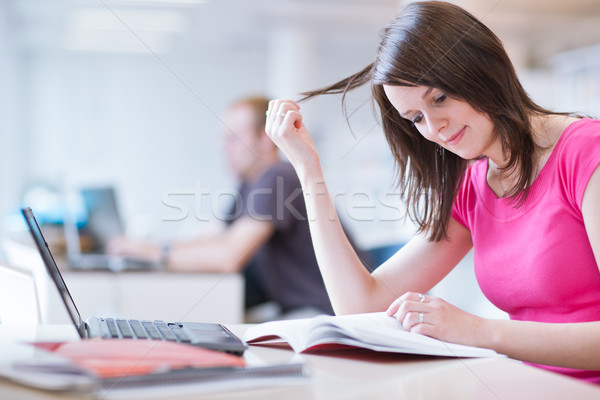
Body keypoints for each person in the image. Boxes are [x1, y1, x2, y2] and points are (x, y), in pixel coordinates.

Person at [264, 1, 600, 384]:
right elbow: (360, 306)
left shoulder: (586, 152)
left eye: (439, 98)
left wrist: (480, 331)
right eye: (416, 118)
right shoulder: (474, 187)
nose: (434, 127)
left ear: (482, 68)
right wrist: (309, 171)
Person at [109, 96, 334, 320]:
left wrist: (150, 252)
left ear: (265, 139)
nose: (222, 147)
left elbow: (228, 257)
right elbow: (216, 238)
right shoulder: (250, 183)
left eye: (233, 138)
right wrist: (150, 247)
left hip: (320, 313)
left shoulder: (278, 176)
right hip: (292, 309)